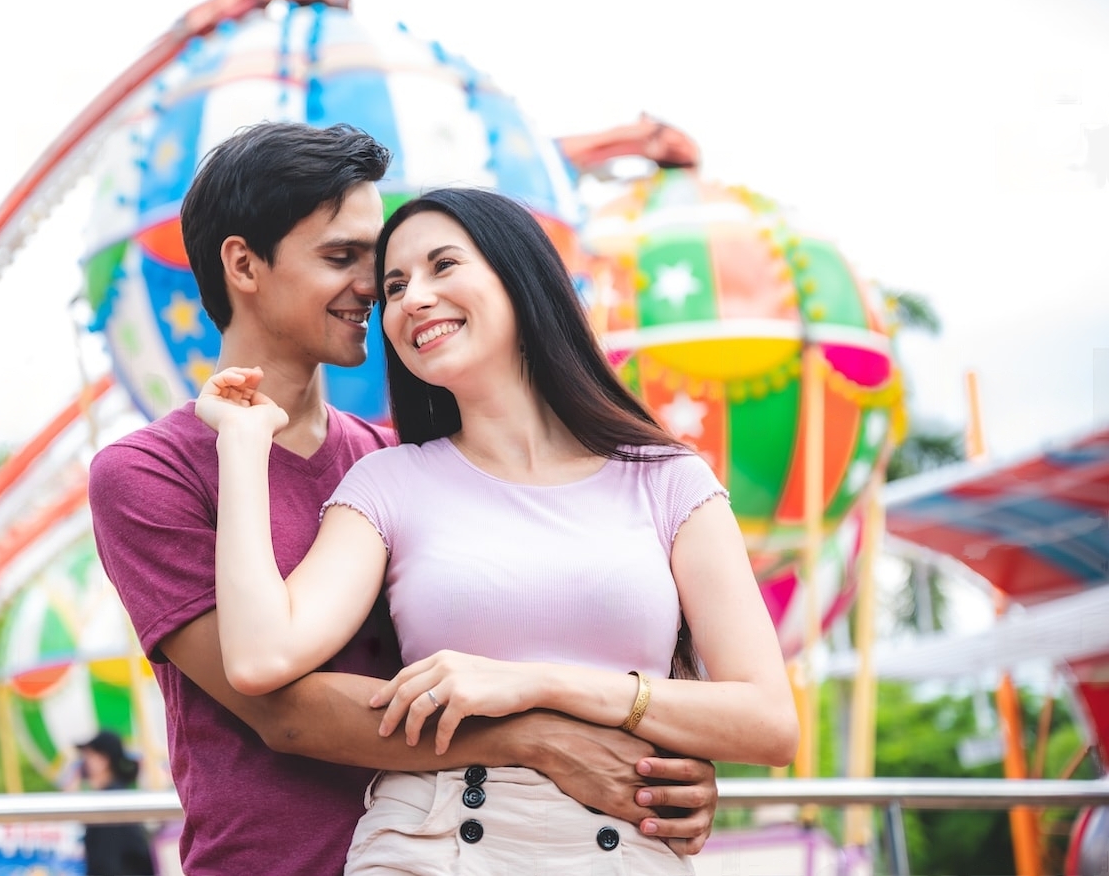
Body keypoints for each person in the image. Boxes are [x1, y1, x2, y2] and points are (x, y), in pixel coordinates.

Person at [89, 123, 720, 876]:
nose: (373, 283)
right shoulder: (146, 473)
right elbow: (280, 710)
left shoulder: (398, 461)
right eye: (341, 257)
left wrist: (655, 769)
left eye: (375, 259)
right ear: (243, 264)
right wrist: (547, 740)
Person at [195, 187, 798, 873]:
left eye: (442, 265)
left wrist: (537, 683)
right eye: (394, 286)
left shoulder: (667, 479)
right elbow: (258, 657)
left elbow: (768, 722)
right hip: (435, 845)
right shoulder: (388, 482)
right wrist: (243, 443)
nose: (411, 298)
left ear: (520, 277)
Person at [71, 731, 155, 876]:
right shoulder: (116, 796)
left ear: (104, 759)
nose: (84, 762)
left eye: (89, 755)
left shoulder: (110, 802)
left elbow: (108, 861)